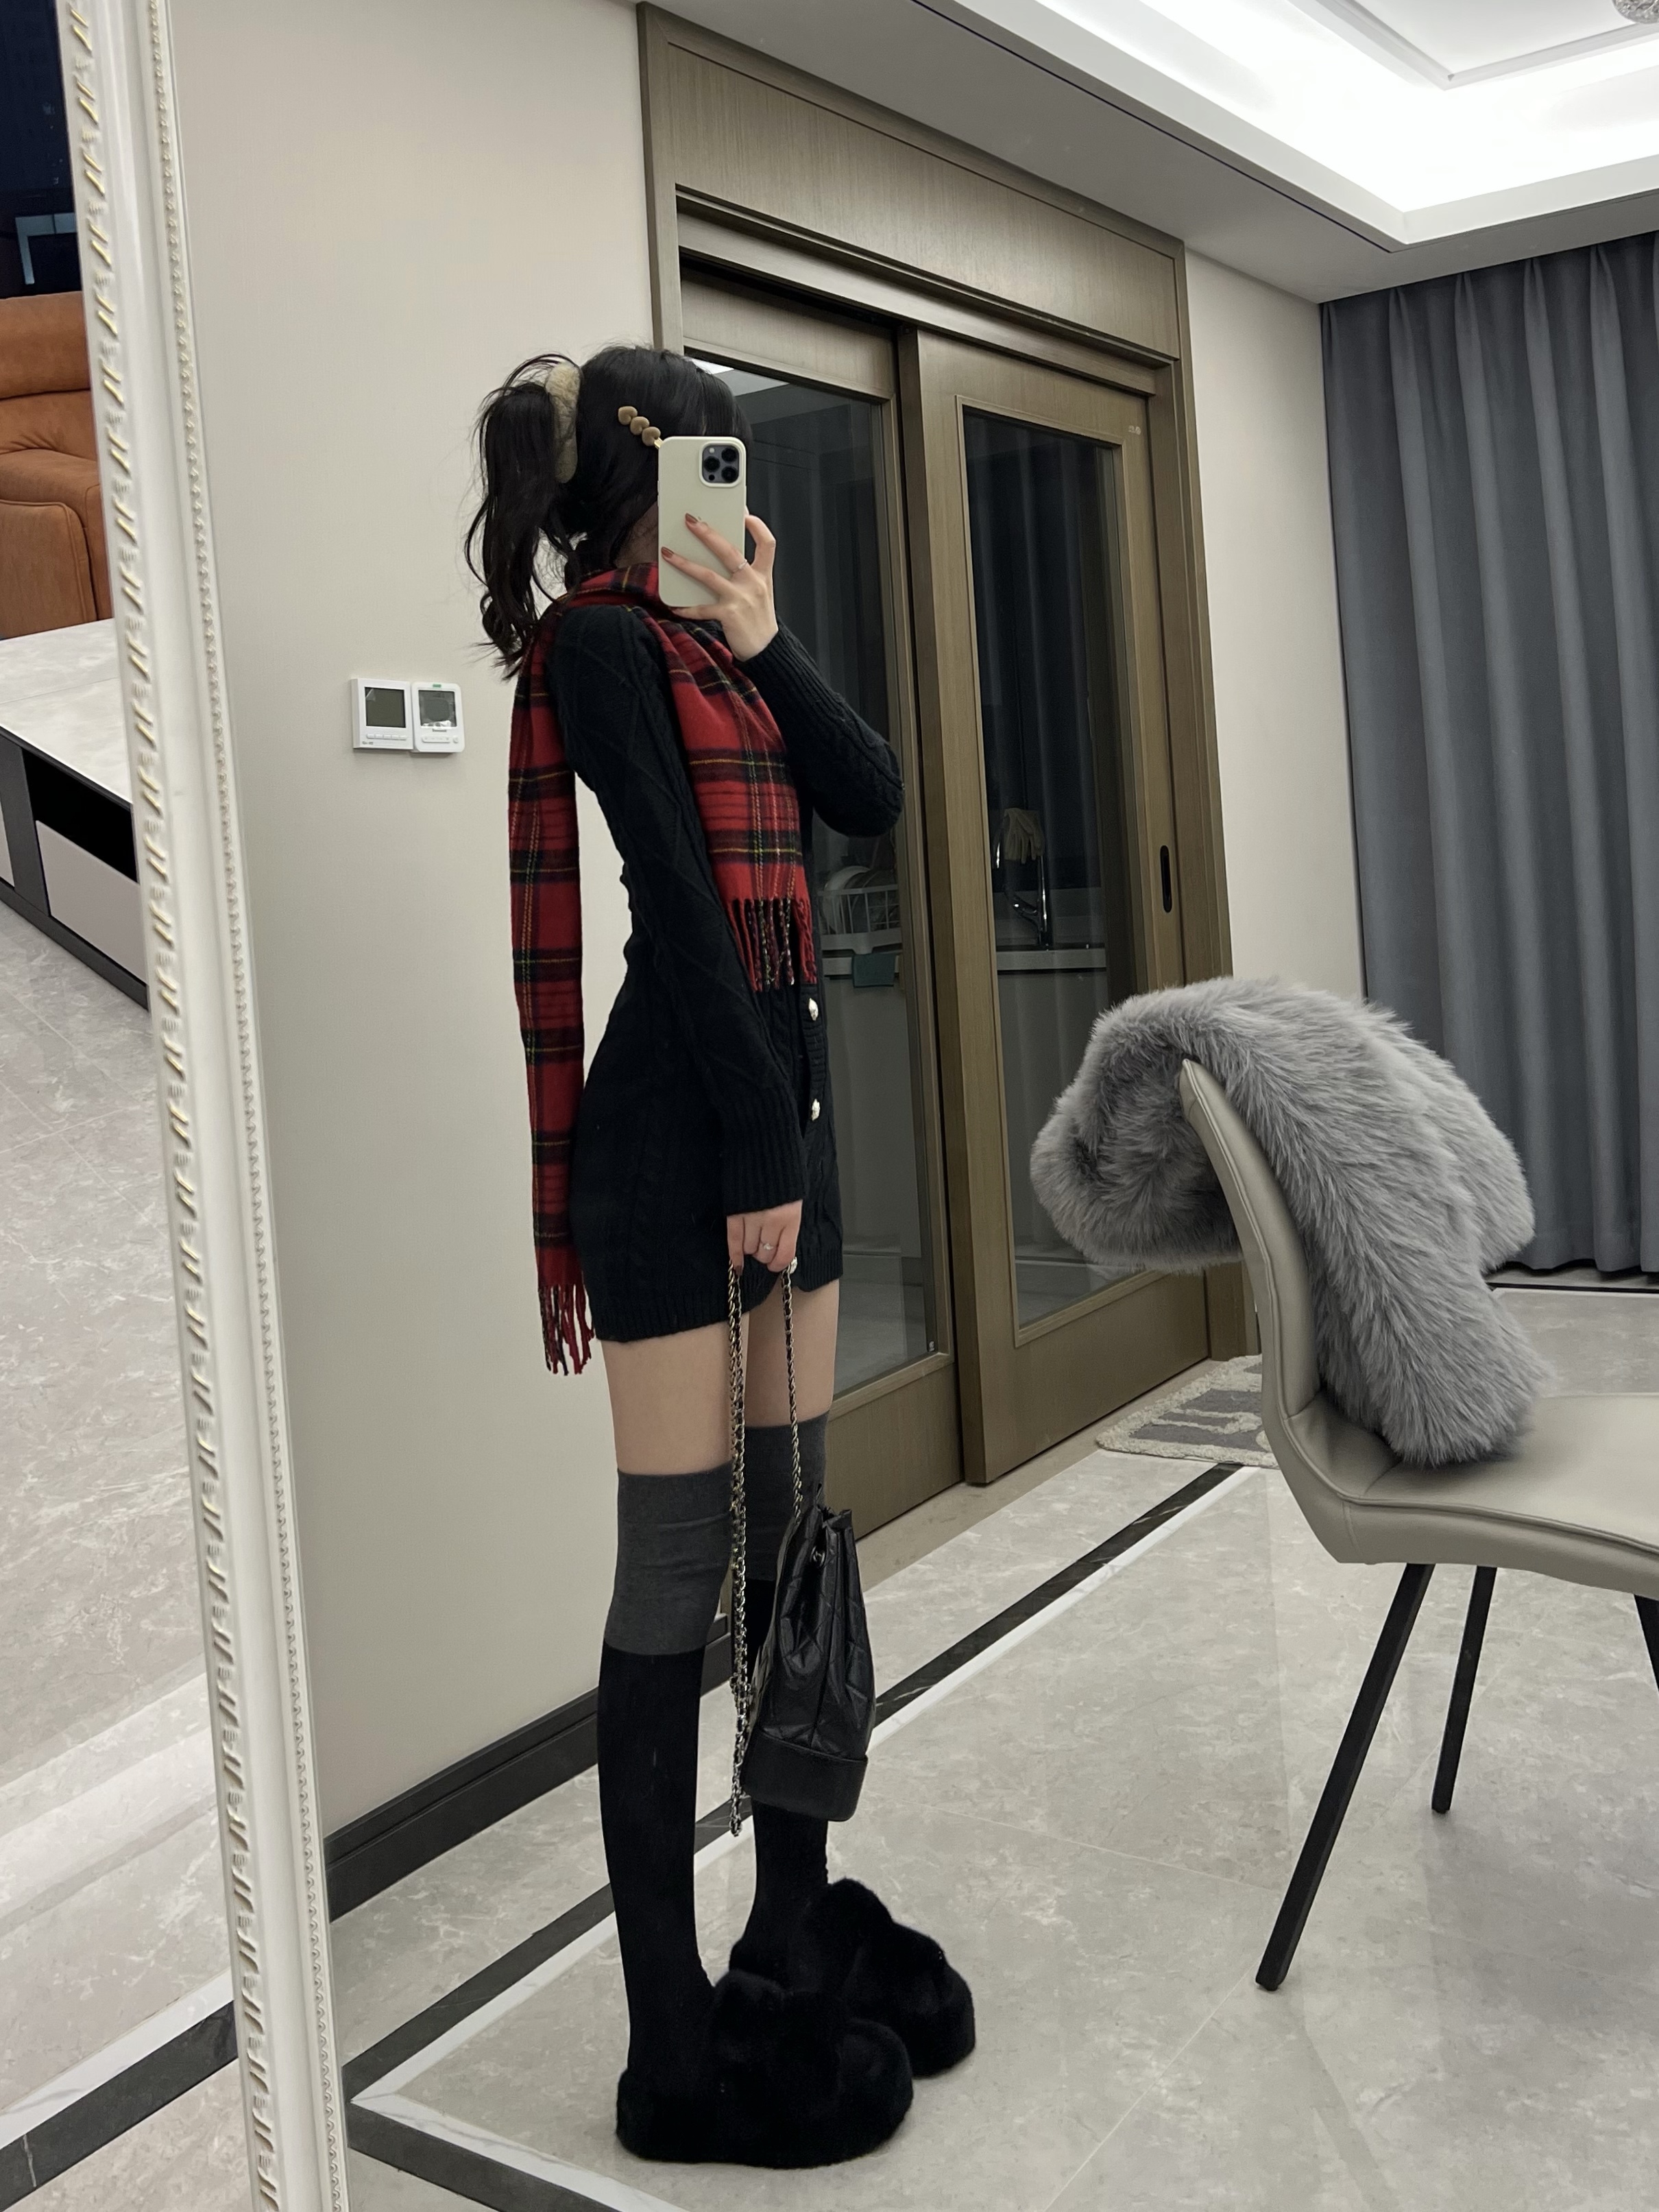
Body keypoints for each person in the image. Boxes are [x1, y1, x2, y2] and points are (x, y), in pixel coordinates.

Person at [468, 346, 974, 2168]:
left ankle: (788, 1928)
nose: (727, 493)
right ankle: (669, 2049)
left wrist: (767, 631)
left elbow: (874, 793)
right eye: (706, 462)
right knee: (680, 1569)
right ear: (639, 477)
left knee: (790, 1541)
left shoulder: (712, 644)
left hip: (781, 1119)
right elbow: (675, 905)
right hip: (682, 1143)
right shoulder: (596, 651)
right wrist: (757, 1152)